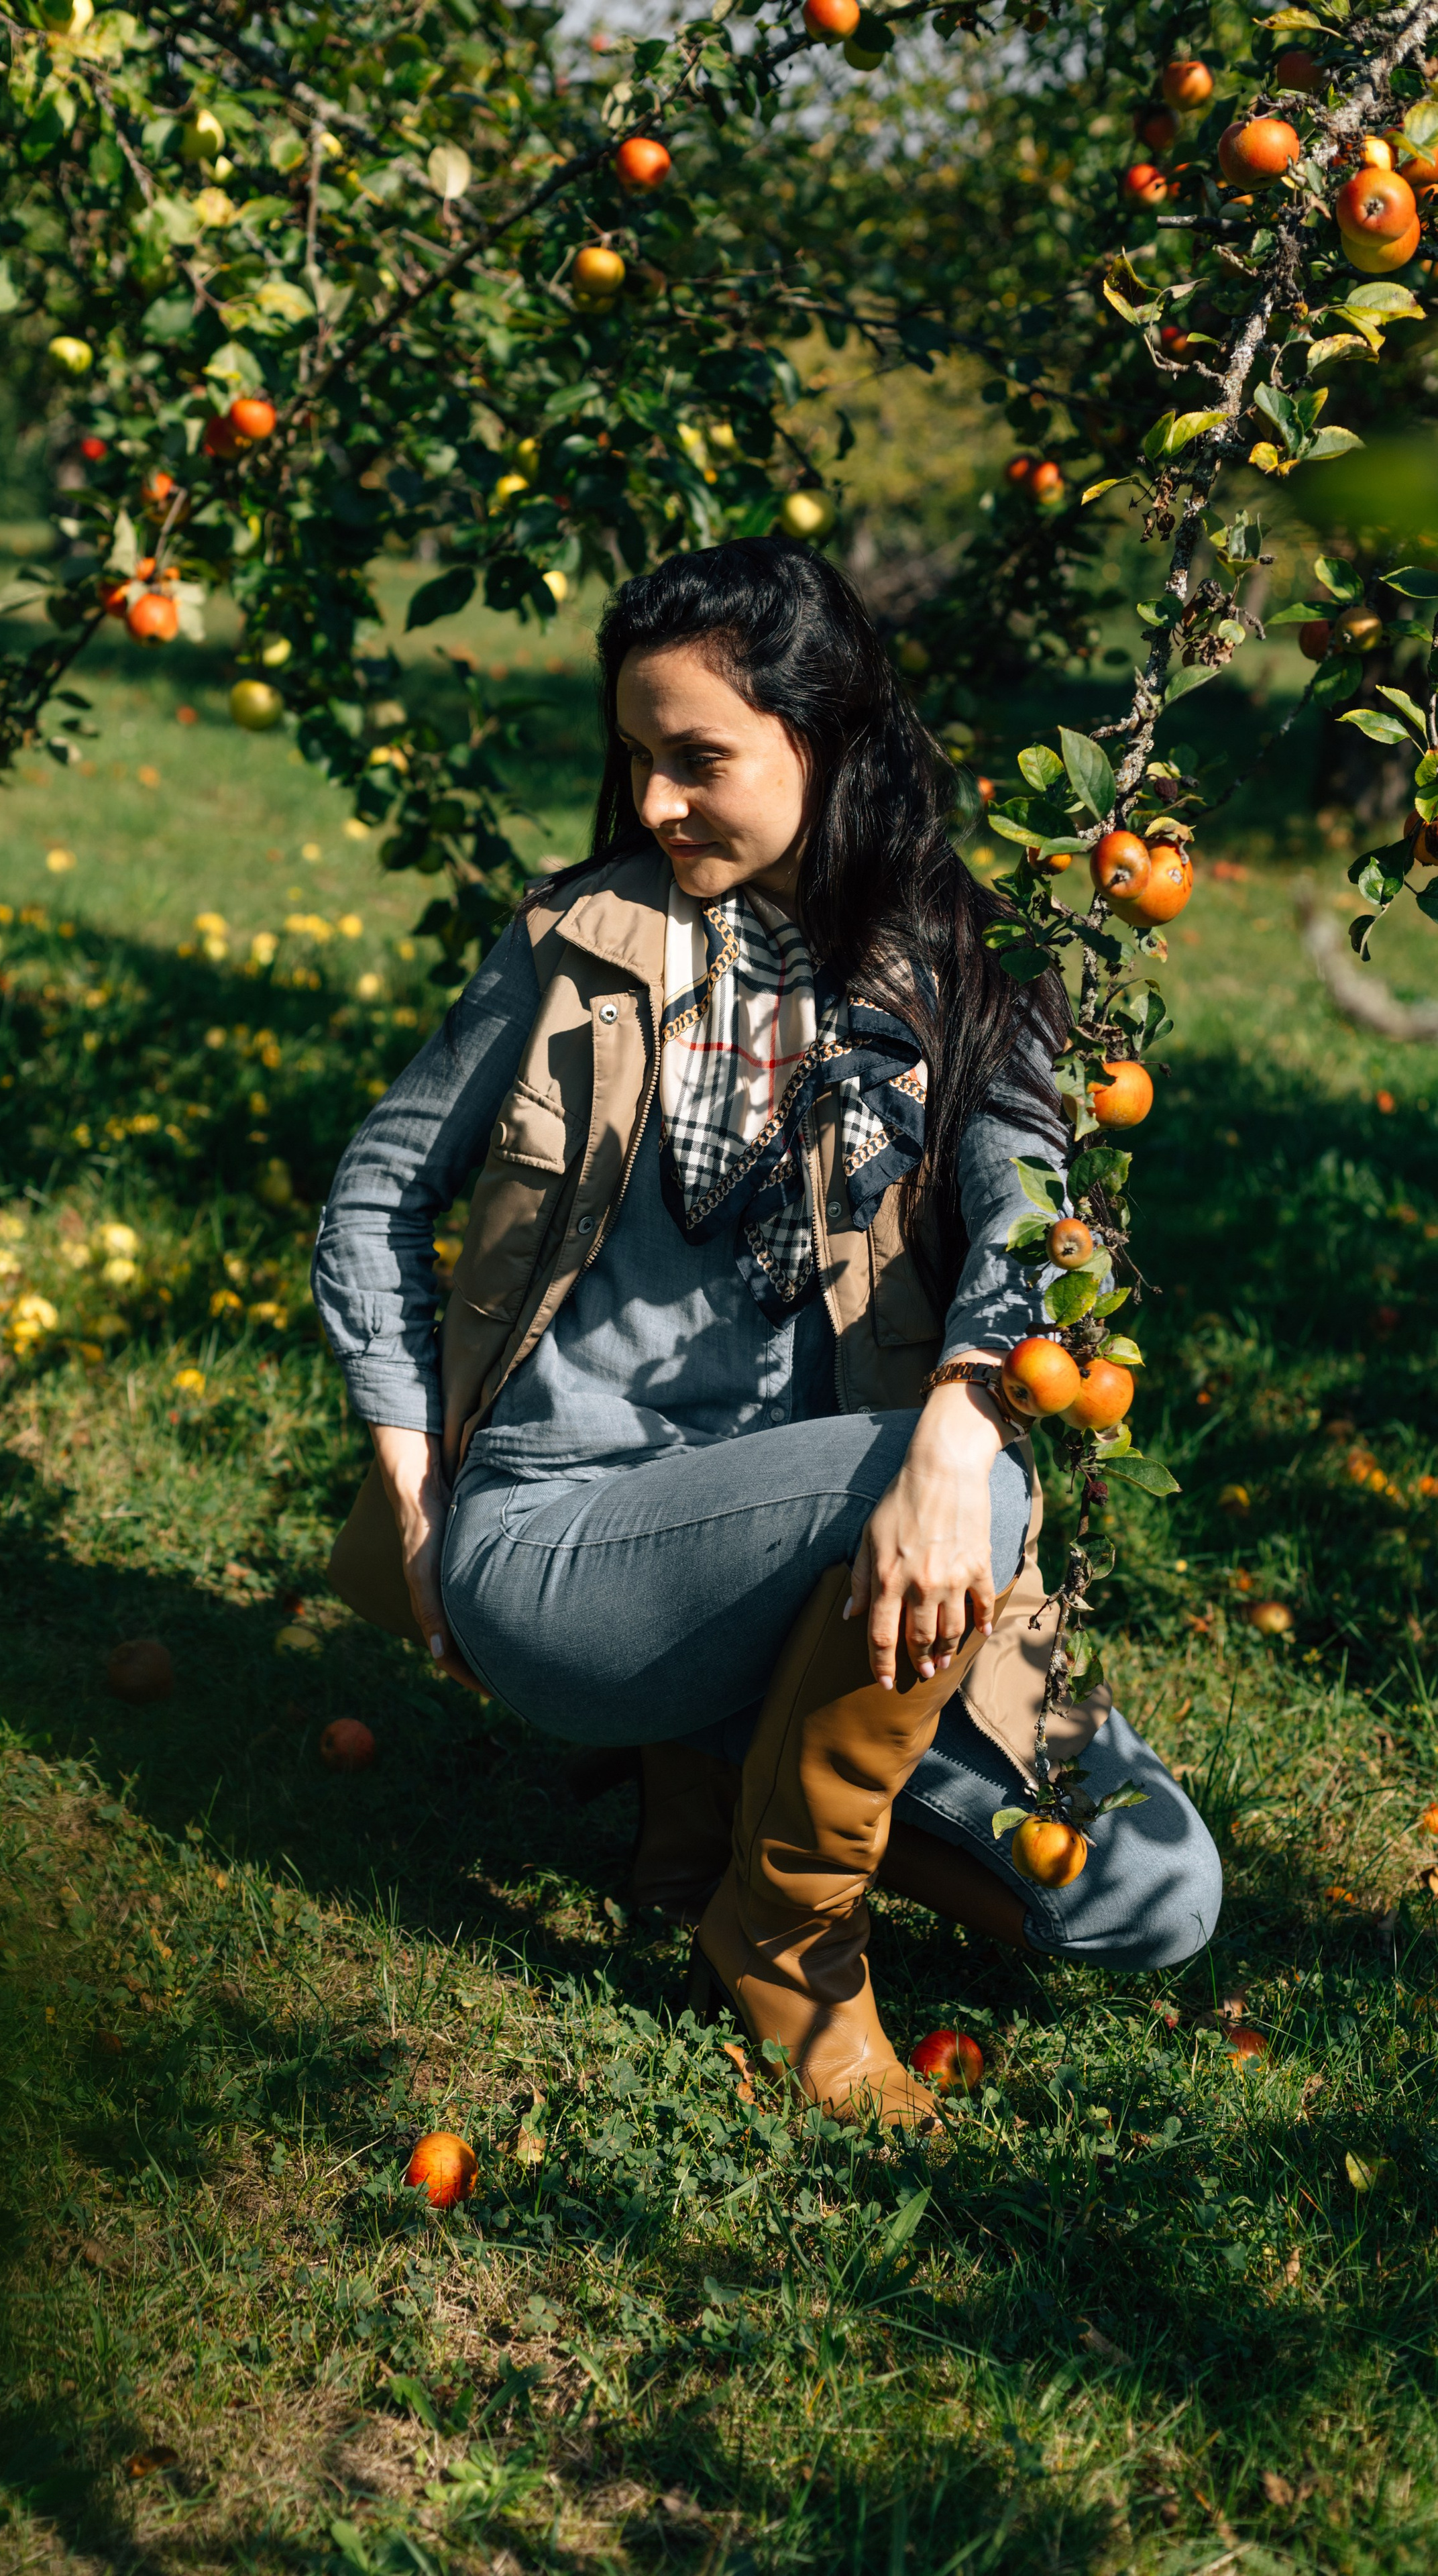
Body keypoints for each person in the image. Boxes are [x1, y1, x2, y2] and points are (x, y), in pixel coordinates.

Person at [312, 538, 1221, 2129]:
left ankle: (721, 1800)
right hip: (560, 1542)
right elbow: (377, 1189)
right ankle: (787, 1933)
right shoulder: (579, 943)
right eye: (637, 762)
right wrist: (407, 1480)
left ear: (822, 737)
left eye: (697, 759)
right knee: (972, 1486)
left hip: (820, 1560)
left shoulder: (958, 969)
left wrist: (955, 1422)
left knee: (1153, 1895)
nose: (655, 802)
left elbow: (1033, 1224)